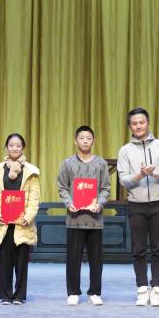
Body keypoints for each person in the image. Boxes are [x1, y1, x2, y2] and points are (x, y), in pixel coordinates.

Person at [117, 107, 159, 307]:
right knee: (139, 249)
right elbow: (123, 180)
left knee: (158, 249)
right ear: (130, 127)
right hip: (136, 204)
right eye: (134, 123)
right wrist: (140, 175)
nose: (138, 126)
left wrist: (154, 173)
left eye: (141, 122)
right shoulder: (125, 150)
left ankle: (156, 289)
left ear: (148, 123)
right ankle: (142, 289)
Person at [57, 125, 111, 306]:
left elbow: (106, 188)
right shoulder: (67, 163)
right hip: (75, 218)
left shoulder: (101, 163)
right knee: (73, 258)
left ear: (93, 141)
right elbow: (62, 187)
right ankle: (73, 292)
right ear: (75, 141)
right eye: (81, 138)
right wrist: (69, 203)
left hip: (95, 219)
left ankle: (94, 292)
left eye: (88, 138)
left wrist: (100, 203)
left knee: (96, 259)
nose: (85, 141)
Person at [0, 133, 41, 305]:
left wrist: (28, 217)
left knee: (22, 262)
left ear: (23, 148)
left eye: (18, 145)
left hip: (22, 224)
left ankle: (19, 296)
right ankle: (5, 295)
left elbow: (34, 198)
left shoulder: (31, 171)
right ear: (6, 147)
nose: (15, 148)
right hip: (3, 223)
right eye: (11, 145)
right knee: (4, 262)